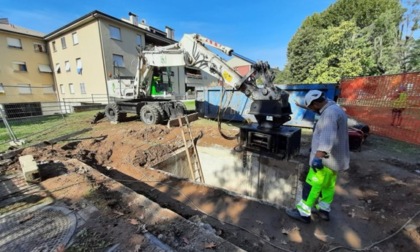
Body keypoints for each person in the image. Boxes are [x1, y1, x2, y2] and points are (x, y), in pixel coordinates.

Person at [286, 90, 350, 223]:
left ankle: (303, 213)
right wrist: (302, 105)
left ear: (316, 103)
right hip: (335, 160)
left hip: (324, 160)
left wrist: (318, 157)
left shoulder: (329, 115)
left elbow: (327, 138)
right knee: (328, 186)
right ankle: (324, 210)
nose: (310, 109)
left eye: (311, 106)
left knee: (312, 185)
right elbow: (319, 110)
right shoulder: (333, 108)